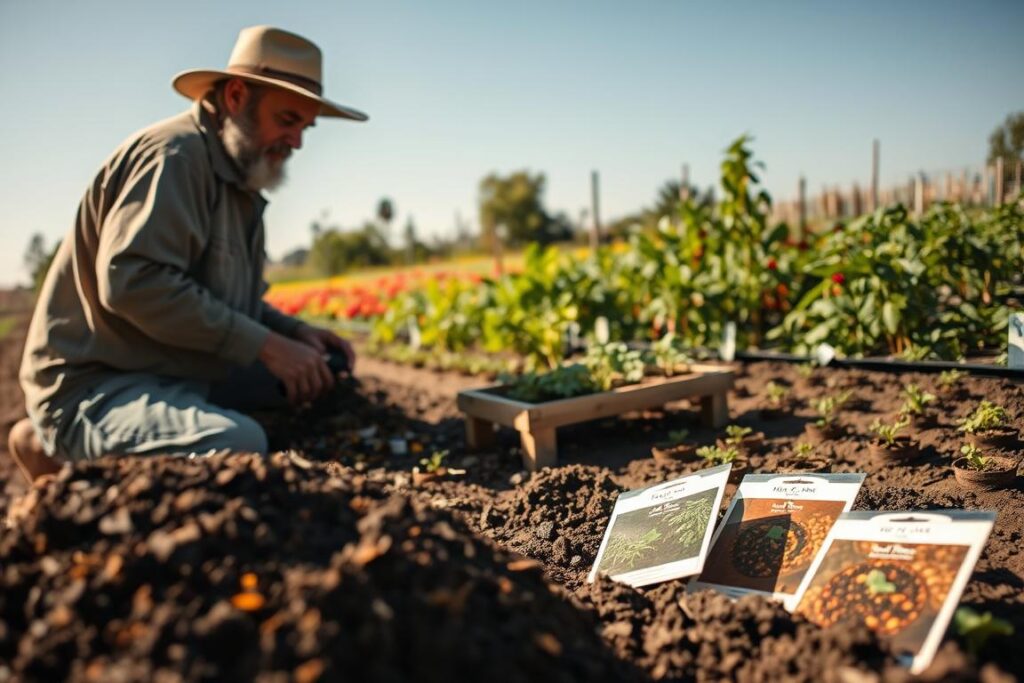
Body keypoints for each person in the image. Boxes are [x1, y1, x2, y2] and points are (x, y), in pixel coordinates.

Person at [6, 26, 368, 485]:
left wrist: (296, 333)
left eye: (304, 128)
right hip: (96, 385)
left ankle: (54, 444)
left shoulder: (239, 181)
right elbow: (134, 283)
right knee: (240, 444)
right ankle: (57, 440)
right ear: (236, 96)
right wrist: (269, 347)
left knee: (319, 375)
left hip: (175, 366)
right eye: (288, 119)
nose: (296, 141)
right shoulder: (173, 157)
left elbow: (231, 304)